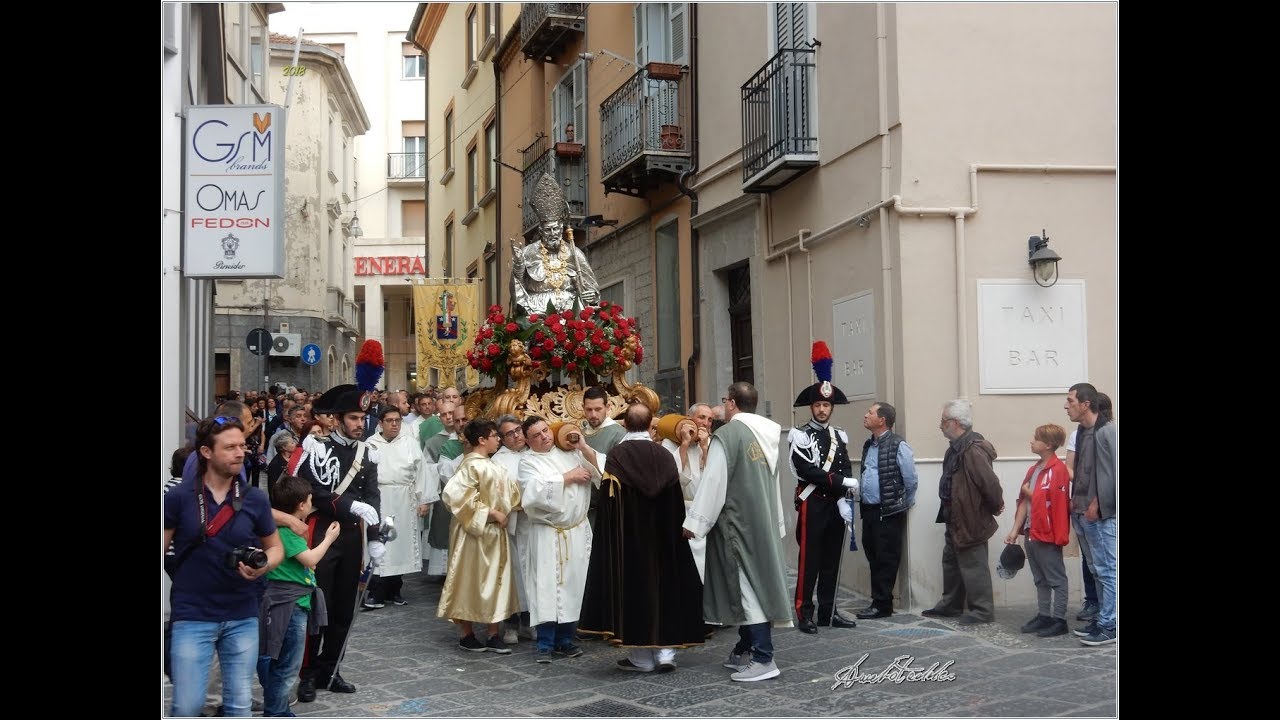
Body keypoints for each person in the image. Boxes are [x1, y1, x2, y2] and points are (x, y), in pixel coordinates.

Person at [164, 416, 284, 717]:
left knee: (239, 704)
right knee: (188, 705)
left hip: (242, 612)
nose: (240, 452)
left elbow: (275, 547)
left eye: (242, 445)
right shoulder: (178, 498)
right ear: (207, 452)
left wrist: (264, 566)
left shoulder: (255, 498)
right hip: (192, 614)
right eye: (230, 447)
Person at [580, 404, 704, 672]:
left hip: (630, 541)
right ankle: (667, 654)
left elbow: (609, 505)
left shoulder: (617, 457)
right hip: (664, 539)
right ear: (652, 426)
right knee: (666, 590)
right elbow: (674, 502)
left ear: (625, 425)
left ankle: (641, 658)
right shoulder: (664, 456)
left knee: (635, 593)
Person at [683, 382, 791, 682]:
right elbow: (773, 481)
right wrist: (777, 522)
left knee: (747, 589)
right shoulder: (767, 433)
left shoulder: (728, 435)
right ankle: (743, 649)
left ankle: (763, 657)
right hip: (762, 521)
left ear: (731, 404)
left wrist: (695, 523)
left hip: (738, 525)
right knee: (754, 585)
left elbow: (713, 482)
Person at [293, 385, 382, 701]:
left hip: (352, 537)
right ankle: (307, 673)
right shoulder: (317, 448)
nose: (360, 424)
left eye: (363, 418)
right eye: (354, 418)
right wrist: (349, 506)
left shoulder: (367, 452)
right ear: (339, 419)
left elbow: (372, 495)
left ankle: (330, 670)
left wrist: (375, 536)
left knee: (344, 608)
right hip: (322, 533)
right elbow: (312, 491)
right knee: (319, 605)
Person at [787, 345, 860, 633]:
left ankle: (827, 613)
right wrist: (842, 484)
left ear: (831, 408)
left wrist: (844, 497)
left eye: (826, 405)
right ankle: (804, 613)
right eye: (817, 405)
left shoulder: (839, 435)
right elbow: (808, 471)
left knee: (832, 560)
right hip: (813, 503)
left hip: (834, 506)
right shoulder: (800, 435)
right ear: (811, 407)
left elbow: (844, 467)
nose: (821, 409)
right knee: (810, 562)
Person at [517, 415, 601, 663]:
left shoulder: (569, 451)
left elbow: (599, 472)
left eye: (545, 430)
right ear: (528, 440)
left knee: (573, 586)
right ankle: (544, 643)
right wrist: (567, 478)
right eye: (537, 435)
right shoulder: (527, 462)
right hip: (548, 532)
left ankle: (566, 640)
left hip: (575, 529)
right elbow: (532, 493)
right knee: (546, 587)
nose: (544, 436)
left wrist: (584, 447)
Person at [437, 419, 523, 654]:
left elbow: (512, 493)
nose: (498, 439)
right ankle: (466, 633)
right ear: (482, 440)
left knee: (497, 579)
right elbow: (454, 496)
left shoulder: (493, 465)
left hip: (496, 534)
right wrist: (491, 512)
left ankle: (494, 632)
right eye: (495, 435)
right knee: (470, 579)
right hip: (473, 533)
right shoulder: (470, 465)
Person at [257, 476, 340, 717]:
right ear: (301, 505)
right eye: (310, 500)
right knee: (287, 665)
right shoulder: (287, 532)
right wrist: (329, 539)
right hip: (291, 604)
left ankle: (278, 708)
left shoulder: (278, 530)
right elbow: (311, 559)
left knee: (279, 660)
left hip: (290, 601)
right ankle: (276, 711)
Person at [921, 399, 1004, 625]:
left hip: (970, 517)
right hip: (955, 515)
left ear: (955, 423)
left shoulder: (973, 450)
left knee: (973, 564)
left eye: (943, 421)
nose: (940, 426)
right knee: (951, 562)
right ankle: (951, 605)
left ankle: (982, 611)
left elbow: (989, 483)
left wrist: (997, 505)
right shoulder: (957, 448)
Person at [1004, 423, 1071, 638]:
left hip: (1048, 533)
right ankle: (1044, 615)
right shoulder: (1034, 469)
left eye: (1036, 438)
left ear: (1049, 444)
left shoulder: (1058, 470)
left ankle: (1059, 619)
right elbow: (1024, 501)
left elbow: (1058, 503)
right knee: (1040, 578)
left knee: (1056, 578)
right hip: (1031, 531)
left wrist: (1031, 495)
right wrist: (1015, 530)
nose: (1032, 441)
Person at [1065, 384, 1117, 646]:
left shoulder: (1108, 431)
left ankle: (1112, 624)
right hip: (1081, 512)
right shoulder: (1082, 432)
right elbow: (1081, 472)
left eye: (1070, 400)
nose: (1066, 406)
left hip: (1101, 514)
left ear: (1085, 404)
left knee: (1108, 570)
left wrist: (1098, 503)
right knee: (1097, 570)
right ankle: (1103, 618)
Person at [856, 401, 919, 620]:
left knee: (886, 558)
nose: (865, 415)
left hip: (888, 511)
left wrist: (902, 502)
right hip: (870, 510)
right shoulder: (868, 445)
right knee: (873, 554)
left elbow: (910, 479)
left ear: (881, 420)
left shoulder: (898, 444)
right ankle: (878, 601)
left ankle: (882, 605)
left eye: (870, 413)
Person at [364, 405, 429, 609]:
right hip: (379, 498)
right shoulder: (370, 444)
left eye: (398, 420)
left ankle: (395, 589)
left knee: (399, 545)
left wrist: (423, 499)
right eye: (390, 420)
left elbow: (422, 472)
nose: (394, 424)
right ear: (380, 423)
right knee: (379, 542)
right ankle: (377, 590)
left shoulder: (410, 443)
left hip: (403, 498)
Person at [511, 172, 600, 315]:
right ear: (541, 231)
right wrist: (519, 265)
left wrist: (591, 295)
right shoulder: (528, 252)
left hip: (572, 312)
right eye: (548, 230)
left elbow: (591, 288)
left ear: (561, 229)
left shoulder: (574, 253)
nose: (553, 233)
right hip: (537, 312)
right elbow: (518, 286)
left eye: (556, 229)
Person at [661, 403, 715, 580]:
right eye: (701, 417)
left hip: (703, 508)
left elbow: (713, 476)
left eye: (709, 420)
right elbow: (672, 475)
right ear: (689, 418)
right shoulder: (670, 441)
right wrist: (684, 443)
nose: (705, 423)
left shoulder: (711, 442)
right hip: (680, 508)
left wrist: (705, 447)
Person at [492, 414, 533, 644]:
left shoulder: (534, 453)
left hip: (533, 524)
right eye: (510, 433)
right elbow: (497, 492)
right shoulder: (498, 461)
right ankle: (511, 624)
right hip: (511, 525)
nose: (517, 435)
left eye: (518, 430)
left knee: (531, 574)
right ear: (501, 438)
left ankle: (530, 621)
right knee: (513, 574)